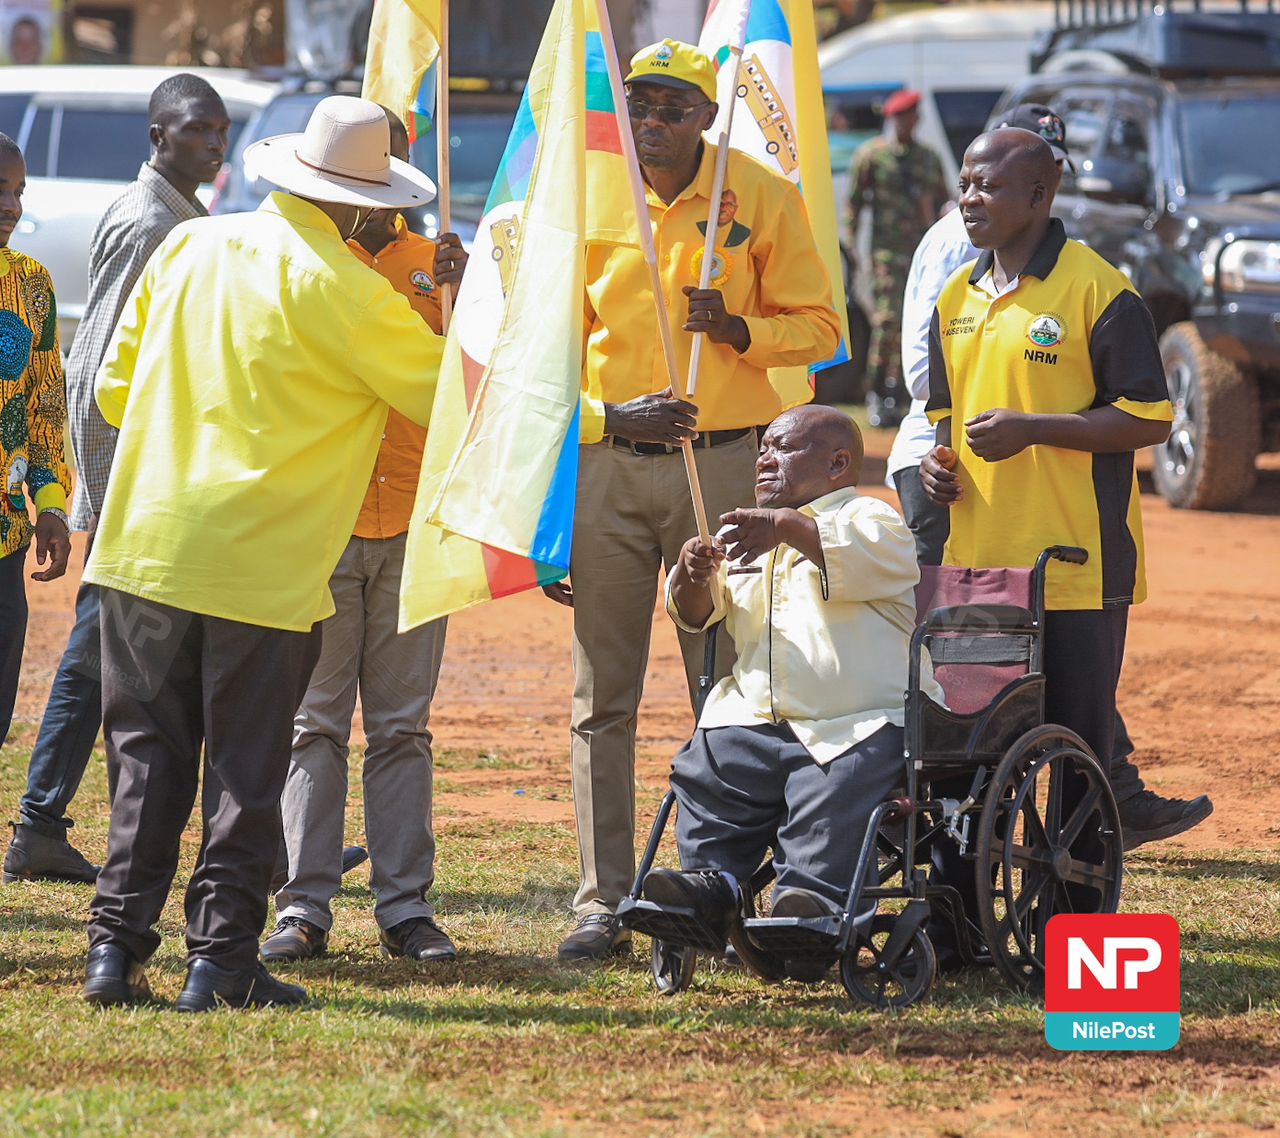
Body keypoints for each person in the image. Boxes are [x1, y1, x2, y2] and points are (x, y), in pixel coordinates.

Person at [79, 96, 443, 1012]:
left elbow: (117, 394)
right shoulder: (353, 293)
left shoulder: (187, 248)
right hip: (262, 568)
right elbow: (465, 406)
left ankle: (114, 955)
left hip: (142, 550)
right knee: (245, 769)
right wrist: (604, 415)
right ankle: (221, 962)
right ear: (363, 208)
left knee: (144, 761)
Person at [546, 40, 842, 962]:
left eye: (674, 107)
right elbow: (547, 342)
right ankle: (601, 901)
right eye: (639, 103)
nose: (653, 122)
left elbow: (823, 327)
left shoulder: (756, 194)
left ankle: (716, 884)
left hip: (718, 464)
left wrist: (738, 327)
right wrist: (605, 423)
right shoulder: (592, 194)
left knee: (724, 679)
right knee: (604, 692)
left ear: (708, 116)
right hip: (610, 459)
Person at [920, 127, 1213, 856]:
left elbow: (1148, 418)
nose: (969, 198)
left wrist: (1034, 429)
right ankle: (967, 922)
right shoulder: (955, 297)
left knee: (1080, 752)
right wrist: (938, 463)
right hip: (980, 566)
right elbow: (943, 418)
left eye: (986, 185)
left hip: (1077, 566)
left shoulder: (1099, 290)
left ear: (1039, 194)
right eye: (964, 183)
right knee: (972, 749)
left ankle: (1075, 920)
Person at [4, 75, 230, 887]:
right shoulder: (149, 223)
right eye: (198, 129)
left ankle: (49, 822)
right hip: (134, 474)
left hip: (148, 472)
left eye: (220, 129)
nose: (214, 142)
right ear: (157, 134)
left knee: (113, 651)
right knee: (100, 652)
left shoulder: (180, 216)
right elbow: (99, 366)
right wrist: (108, 495)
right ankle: (40, 821)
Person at [261, 108, 467, 966]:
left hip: (413, 526)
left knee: (402, 726)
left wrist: (466, 295)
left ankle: (404, 908)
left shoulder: (440, 267)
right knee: (313, 723)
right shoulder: (307, 264)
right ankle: (302, 908)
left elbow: (473, 383)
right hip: (325, 521)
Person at [644, 405, 942, 930]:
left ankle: (812, 906)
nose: (765, 459)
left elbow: (864, 557)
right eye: (763, 449)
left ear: (838, 463)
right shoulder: (750, 537)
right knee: (706, 770)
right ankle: (713, 892)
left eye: (784, 448)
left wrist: (782, 526)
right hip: (755, 718)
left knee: (830, 789)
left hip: (858, 721)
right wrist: (691, 574)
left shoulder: (871, 518)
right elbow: (696, 615)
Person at [0, 131, 71, 752]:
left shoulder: (33, 286)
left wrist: (50, 504)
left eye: (18, 190)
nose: (11, 206)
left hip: (4, 535)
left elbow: (44, 406)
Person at [849, 88, 948, 429]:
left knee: (918, 322)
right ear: (892, 119)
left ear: (917, 119)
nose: (906, 123)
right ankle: (878, 391)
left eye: (911, 116)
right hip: (886, 255)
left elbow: (945, 202)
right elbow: (855, 204)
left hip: (921, 255)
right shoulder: (873, 156)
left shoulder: (928, 158)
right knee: (887, 322)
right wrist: (851, 248)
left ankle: (905, 394)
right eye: (900, 117)